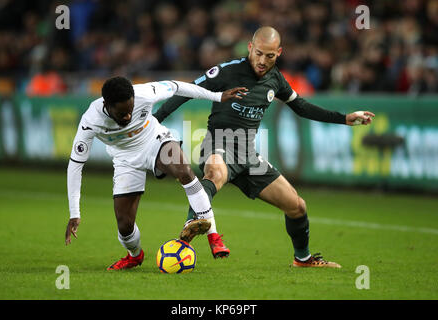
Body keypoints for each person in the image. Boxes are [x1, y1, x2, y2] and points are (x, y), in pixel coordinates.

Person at [154, 26, 375, 267]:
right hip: (219, 144)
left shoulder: (276, 79)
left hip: (248, 157)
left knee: (297, 206)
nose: (262, 60)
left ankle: (303, 259)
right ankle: (191, 223)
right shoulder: (227, 72)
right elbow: (185, 92)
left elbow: (301, 107)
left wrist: (343, 118)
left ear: (278, 53)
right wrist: (155, 120)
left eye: (269, 56)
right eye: (258, 53)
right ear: (250, 47)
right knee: (215, 173)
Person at [65, 76, 246, 270]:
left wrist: (217, 96)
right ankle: (134, 255)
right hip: (125, 160)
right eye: (122, 113)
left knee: (184, 170)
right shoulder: (90, 120)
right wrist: (75, 212)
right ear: (107, 105)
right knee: (125, 225)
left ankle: (214, 237)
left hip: (154, 141)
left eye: (130, 110)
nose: (127, 116)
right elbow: (76, 165)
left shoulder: (145, 93)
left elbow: (178, 87)